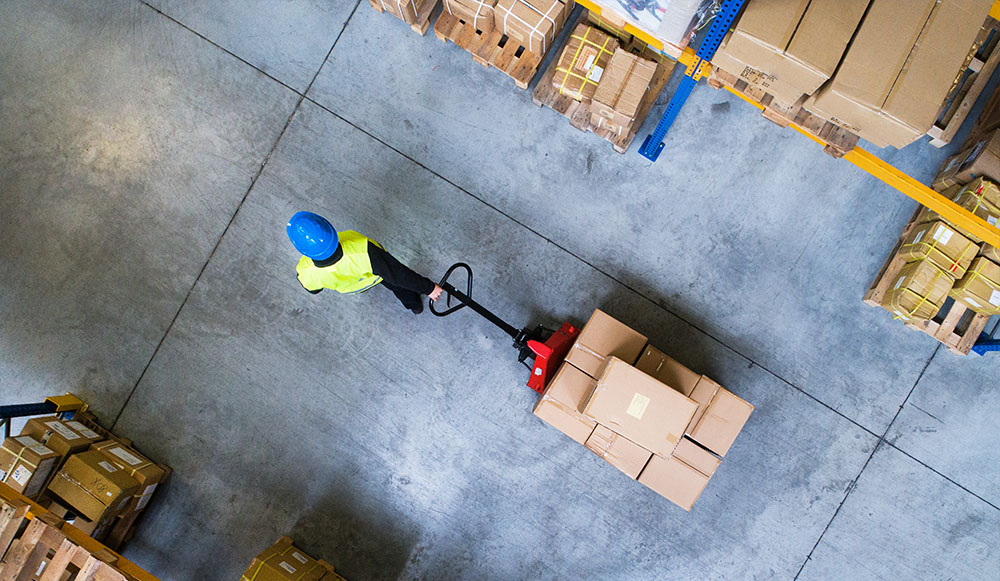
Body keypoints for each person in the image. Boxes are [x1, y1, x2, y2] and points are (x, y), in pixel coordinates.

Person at [286, 211, 443, 314]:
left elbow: (314, 290)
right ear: (329, 229)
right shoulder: (364, 252)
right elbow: (399, 275)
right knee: (398, 286)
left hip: (354, 287)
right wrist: (428, 288)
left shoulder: (305, 272)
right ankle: (414, 305)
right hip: (376, 275)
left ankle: (414, 307)